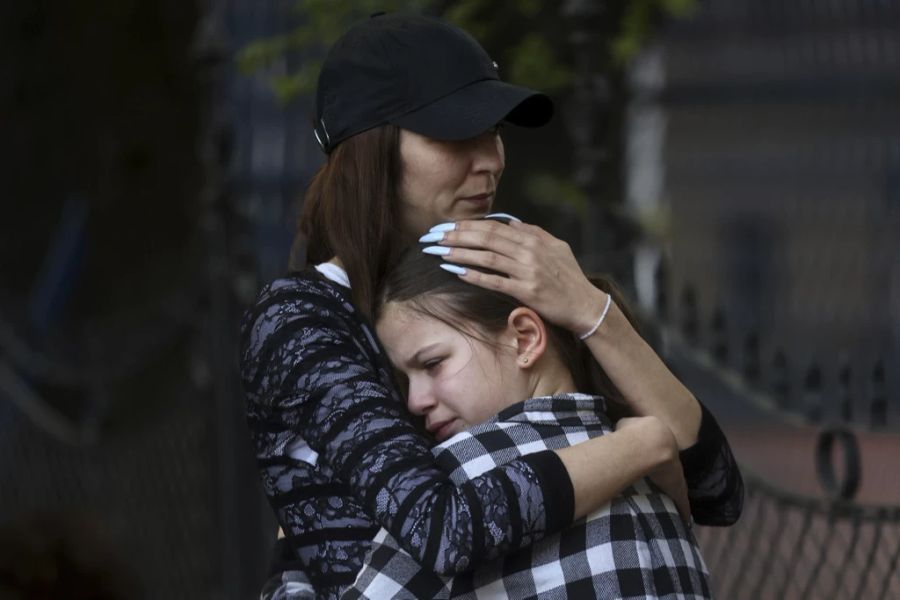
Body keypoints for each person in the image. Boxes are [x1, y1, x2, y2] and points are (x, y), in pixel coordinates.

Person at [241, 12, 742, 600]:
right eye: (456, 135)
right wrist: (641, 444)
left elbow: (714, 489)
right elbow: (439, 526)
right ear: (373, 151)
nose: (490, 161)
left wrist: (586, 307)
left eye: (494, 131)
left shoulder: (508, 273)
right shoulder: (302, 318)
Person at [344, 245, 711, 598]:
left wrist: (291, 562)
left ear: (525, 339)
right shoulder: (654, 472)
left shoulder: (464, 477)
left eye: (432, 364)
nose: (415, 400)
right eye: (406, 380)